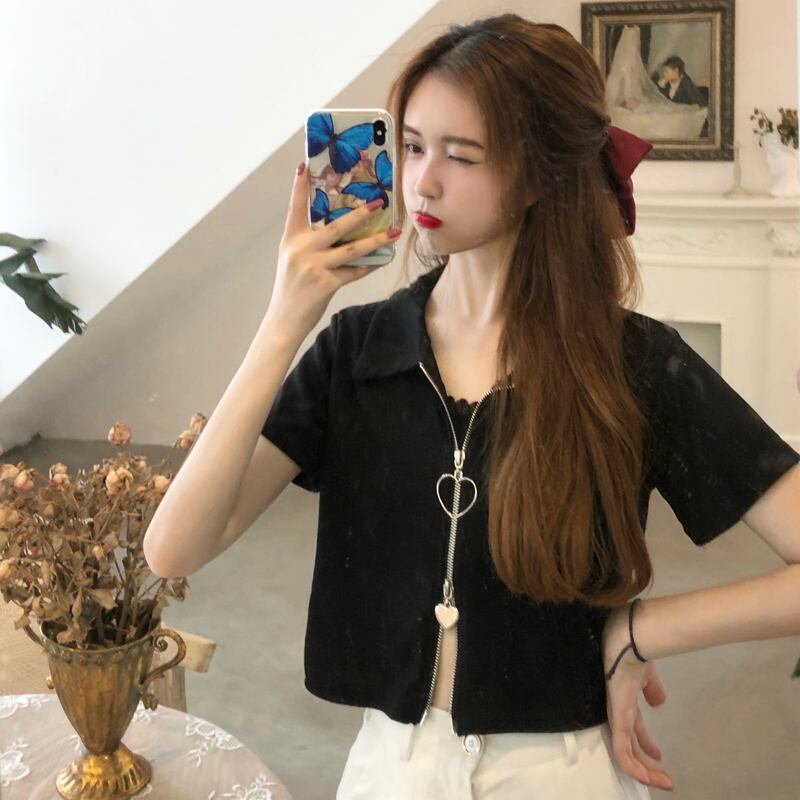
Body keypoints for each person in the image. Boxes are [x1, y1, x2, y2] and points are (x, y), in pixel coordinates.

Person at [143, 12, 800, 800]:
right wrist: (287, 319)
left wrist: (642, 628)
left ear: (541, 175)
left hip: (561, 775)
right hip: (388, 772)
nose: (422, 181)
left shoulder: (633, 365)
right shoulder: (359, 352)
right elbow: (173, 550)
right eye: (412, 146)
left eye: (461, 155)